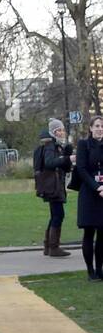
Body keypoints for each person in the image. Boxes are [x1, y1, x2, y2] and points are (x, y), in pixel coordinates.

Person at [33, 119, 73, 257]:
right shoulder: (51, 145)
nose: (61, 133)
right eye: (58, 131)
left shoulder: (57, 146)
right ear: (53, 132)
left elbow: (65, 168)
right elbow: (50, 163)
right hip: (53, 186)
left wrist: (67, 155)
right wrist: (66, 159)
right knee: (58, 215)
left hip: (55, 185)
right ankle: (53, 247)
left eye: (62, 130)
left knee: (55, 215)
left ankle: (48, 245)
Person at [75, 114, 103, 280]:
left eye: (102, 126)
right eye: (97, 126)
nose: (100, 129)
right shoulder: (84, 145)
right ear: (91, 128)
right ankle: (90, 270)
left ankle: (100, 268)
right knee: (89, 232)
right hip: (89, 193)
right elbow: (82, 169)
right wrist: (97, 187)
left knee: (102, 233)